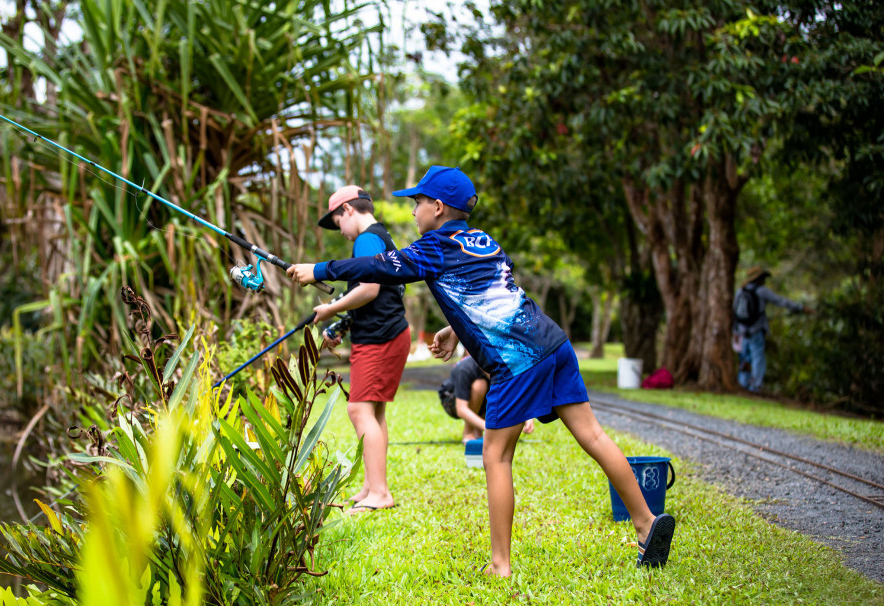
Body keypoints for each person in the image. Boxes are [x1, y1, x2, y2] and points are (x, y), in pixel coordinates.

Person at [289, 166, 675, 575]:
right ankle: (647, 523)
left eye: (417, 203)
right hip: (554, 345)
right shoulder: (484, 241)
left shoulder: (433, 246)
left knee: (496, 456)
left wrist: (320, 269)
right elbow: (492, 293)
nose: (414, 210)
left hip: (515, 362)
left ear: (437, 208)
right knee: (593, 435)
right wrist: (452, 330)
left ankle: (500, 564)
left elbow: (381, 268)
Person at [313, 185, 410, 514]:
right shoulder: (380, 238)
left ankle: (380, 493)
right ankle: (373, 485)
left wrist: (329, 309)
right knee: (374, 411)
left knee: (359, 410)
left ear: (349, 211)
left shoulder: (366, 239)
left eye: (337, 221)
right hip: (384, 333)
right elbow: (375, 295)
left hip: (380, 338)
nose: (339, 230)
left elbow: (369, 289)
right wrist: (340, 323)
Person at [733, 265, 813, 393]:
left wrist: (735, 331)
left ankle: (743, 384)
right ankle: (755, 387)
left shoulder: (740, 291)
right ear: (759, 279)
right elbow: (781, 301)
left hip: (741, 332)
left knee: (745, 359)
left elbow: (735, 313)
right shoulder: (761, 291)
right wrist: (800, 308)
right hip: (756, 331)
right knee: (758, 358)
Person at [439, 353, 534, 443]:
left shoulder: (501, 370)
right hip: (451, 400)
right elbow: (461, 409)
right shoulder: (465, 369)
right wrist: (488, 428)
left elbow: (513, 392)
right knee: (480, 385)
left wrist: (528, 416)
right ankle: (469, 432)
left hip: (480, 401)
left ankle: (478, 431)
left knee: (500, 389)